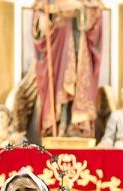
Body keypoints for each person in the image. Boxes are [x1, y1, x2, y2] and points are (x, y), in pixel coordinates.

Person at [32, 0, 104, 139]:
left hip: (79, 39)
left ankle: (75, 125)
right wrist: (45, 15)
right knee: (59, 84)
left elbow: (94, 13)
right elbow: (40, 15)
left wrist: (80, 8)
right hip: (58, 44)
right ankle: (60, 124)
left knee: (77, 83)